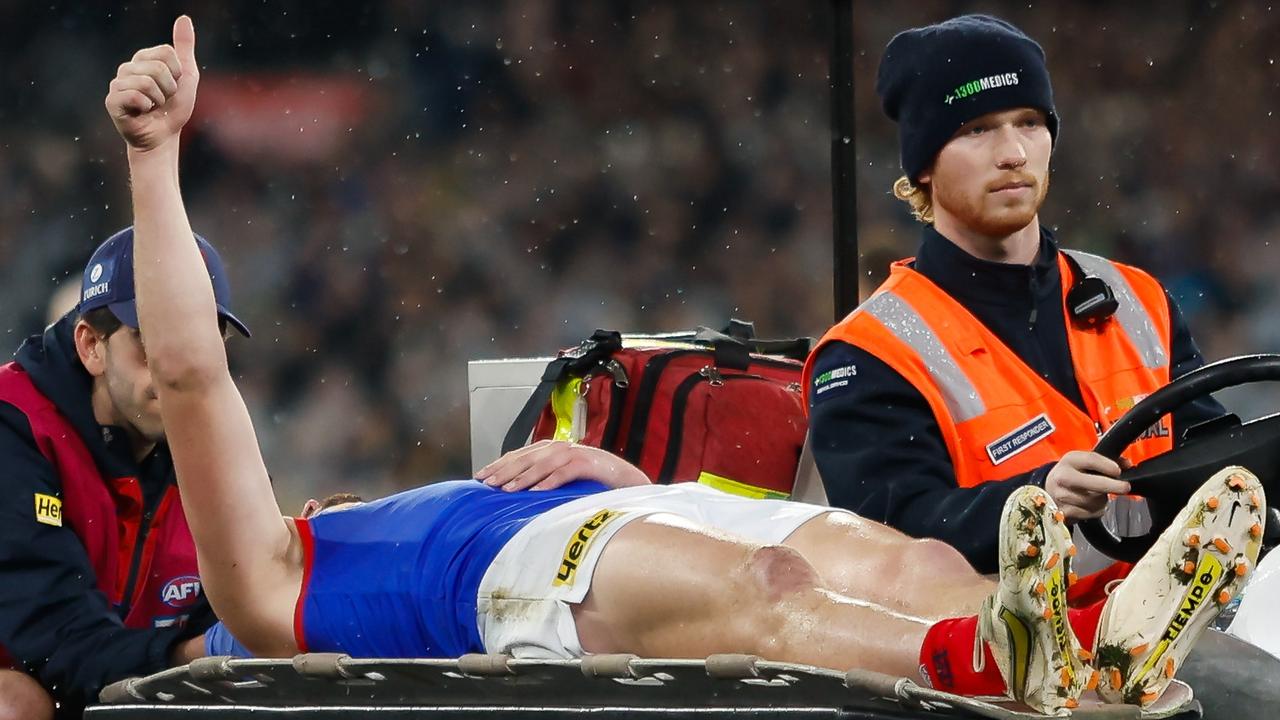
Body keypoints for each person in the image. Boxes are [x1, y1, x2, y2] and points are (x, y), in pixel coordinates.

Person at [105, 17, 1265, 715]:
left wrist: (610, 473)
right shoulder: (262, 592)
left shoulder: (370, 518)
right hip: (527, 578)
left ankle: (1091, 618)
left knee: (895, 554)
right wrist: (154, 166)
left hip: (619, 516)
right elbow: (195, 370)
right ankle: (989, 660)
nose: (305, 502)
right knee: (769, 601)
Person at [803, 14, 1225, 576]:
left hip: (1185, 632)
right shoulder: (867, 354)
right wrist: (1032, 498)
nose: (1013, 154)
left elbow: (1217, 462)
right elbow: (892, 539)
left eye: (1029, 122)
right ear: (923, 165)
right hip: (1003, 650)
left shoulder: (1138, 298)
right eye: (977, 128)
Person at [0, 202, 249, 716]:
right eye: (153, 340)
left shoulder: (214, 440)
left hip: (113, 684)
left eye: (203, 342)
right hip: (36, 684)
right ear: (91, 346)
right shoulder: (12, 426)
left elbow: (247, 606)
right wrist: (200, 655)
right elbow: (60, 645)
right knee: (17, 702)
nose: (179, 367)